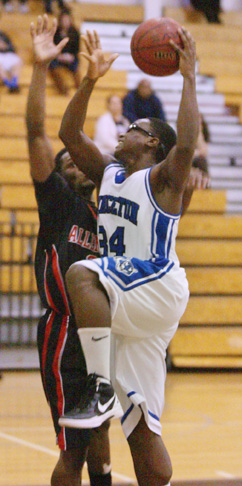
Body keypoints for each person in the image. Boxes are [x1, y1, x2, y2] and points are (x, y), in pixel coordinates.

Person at [57, 27, 200, 486]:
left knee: (81, 273)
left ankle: (99, 387)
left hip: (155, 284)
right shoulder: (110, 173)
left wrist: (190, 77)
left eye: (134, 128)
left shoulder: (163, 179)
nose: (124, 129)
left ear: (153, 143)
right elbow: (68, 133)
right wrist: (89, 80)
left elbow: (187, 145)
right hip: (128, 304)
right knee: (141, 429)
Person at [26, 15, 113, 486]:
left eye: (78, 157)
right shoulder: (59, 202)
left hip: (103, 337)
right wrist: (40, 69)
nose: (74, 162)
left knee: (102, 447)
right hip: (65, 337)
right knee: (77, 450)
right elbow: (38, 132)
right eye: (66, 161)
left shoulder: (110, 214)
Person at [48, 9, 81, 95]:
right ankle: (63, 90)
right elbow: (51, 46)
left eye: (67, 20)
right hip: (57, 57)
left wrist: (71, 56)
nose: (65, 22)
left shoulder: (75, 32)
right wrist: (58, 56)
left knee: (76, 69)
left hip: (70, 57)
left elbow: (77, 49)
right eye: (63, 20)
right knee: (52, 66)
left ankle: (80, 91)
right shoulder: (55, 32)